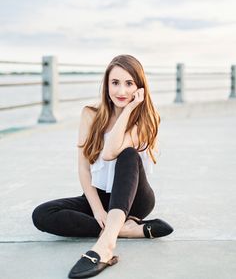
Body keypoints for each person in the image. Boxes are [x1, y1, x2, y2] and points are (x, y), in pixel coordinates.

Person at [32, 54, 174, 278]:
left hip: (135, 199)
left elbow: (110, 153)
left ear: (139, 87)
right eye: (115, 83)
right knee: (42, 214)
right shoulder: (90, 114)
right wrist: (98, 210)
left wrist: (128, 110)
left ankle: (106, 245)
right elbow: (83, 168)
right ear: (107, 84)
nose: (121, 91)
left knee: (127, 154)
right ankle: (126, 230)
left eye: (129, 84)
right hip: (100, 197)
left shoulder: (147, 119)